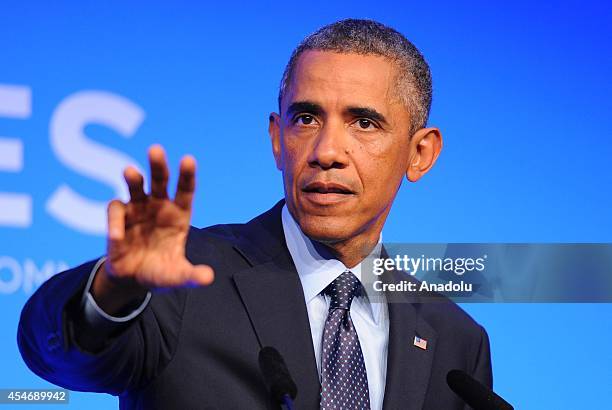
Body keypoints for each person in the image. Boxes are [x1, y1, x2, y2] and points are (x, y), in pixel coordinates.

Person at [18, 19, 492, 409]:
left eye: (363, 122)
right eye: (305, 119)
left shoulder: (454, 340)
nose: (326, 151)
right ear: (276, 139)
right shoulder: (183, 281)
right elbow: (59, 356)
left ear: (420, 153)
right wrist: (115, 290)